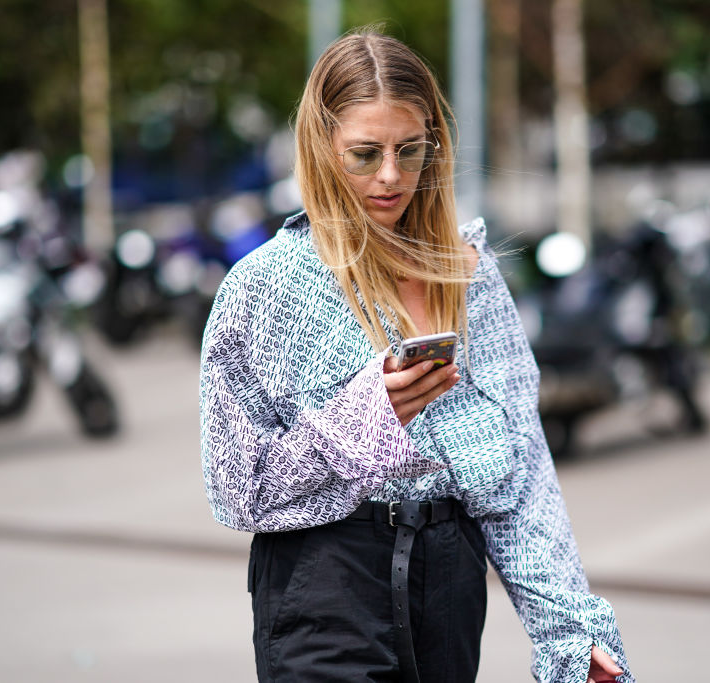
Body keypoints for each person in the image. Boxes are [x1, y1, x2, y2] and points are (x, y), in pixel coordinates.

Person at [199, 29, 633, 683]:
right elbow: (238, 487)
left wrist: (570, 633)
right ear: (321, 149)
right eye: (365, 154)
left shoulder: (469, 274)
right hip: (324, 583)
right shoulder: (267, 286)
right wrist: (365, 417)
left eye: (410, 150)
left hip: (449, 581)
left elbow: (520, 477)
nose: (392, 176)